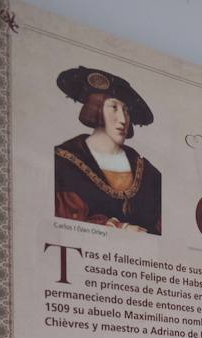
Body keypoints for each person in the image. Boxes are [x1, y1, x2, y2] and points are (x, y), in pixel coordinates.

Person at [54, 66, 162, 234]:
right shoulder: (63, 162)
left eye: (126, 111)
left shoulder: (146, 170)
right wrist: (118, 228)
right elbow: (63, 225)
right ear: (95, 107)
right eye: (114, 107)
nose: (123, 119)